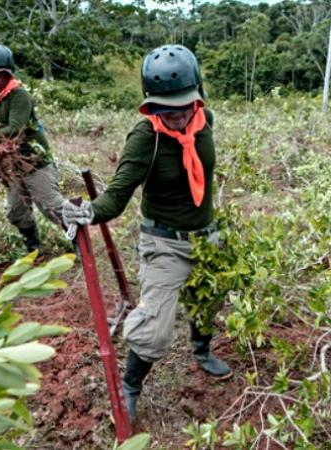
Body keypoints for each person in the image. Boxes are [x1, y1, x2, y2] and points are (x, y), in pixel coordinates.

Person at [61, 44, 232, 425]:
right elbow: (117, 195)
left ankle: (202, 351)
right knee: (154, 330)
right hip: (165, 241)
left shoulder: (207, 123)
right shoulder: (145, 138)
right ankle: (131, 385)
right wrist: (88, 212)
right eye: (165, 109)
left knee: (208, 299)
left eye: (185, 106)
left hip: (206, 235)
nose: (176, 116)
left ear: (198, 98)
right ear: (150, 104)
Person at [0, 44, 64, 252]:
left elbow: (15, 129)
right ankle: (34, 248)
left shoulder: (19, 95)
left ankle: (80, 242)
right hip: (11, 163)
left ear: (8, 75)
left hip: (33, 161)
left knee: (51, 208)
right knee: (16, 211)